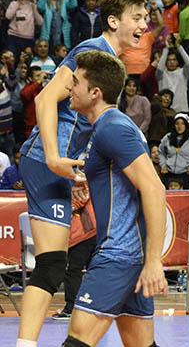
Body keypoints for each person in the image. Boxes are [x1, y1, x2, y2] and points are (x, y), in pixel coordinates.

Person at [16, 0, 150, 347]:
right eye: (136, 18)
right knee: (52, 265)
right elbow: (45, 99)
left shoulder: (111, 63)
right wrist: (53, 158)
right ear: (112, 20)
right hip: (46, 163)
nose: (144, 26)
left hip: (62, 168)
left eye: (146, 19)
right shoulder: (91, 52)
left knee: (55, 264)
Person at [63, 50, 167, 346]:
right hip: (128, 253)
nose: (69, 88)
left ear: (95, 93)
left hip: (120, 254)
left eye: (75, 82)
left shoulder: (113, 128)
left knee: (77, 340)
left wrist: (153, 262)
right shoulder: (108, 128)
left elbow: (154, 189)